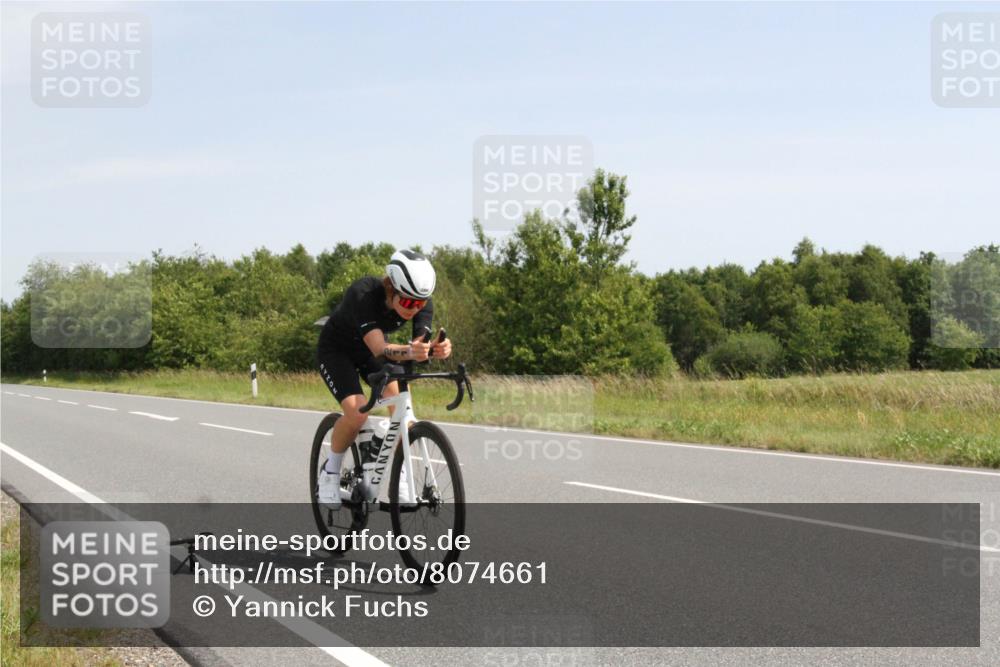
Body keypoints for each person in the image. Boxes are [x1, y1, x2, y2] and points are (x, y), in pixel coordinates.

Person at [315, 249, 452, 508]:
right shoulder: (363, 294)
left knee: (404, 414)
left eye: (421, 303)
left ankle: (399, 476)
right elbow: (380, 348)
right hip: (337, 351)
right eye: (409, 302)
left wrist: (437, 349)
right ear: (391, 288)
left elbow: (417, 346)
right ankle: (330, 472)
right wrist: (413, 350)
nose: (415, 309)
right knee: (357, 413)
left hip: (371, 353)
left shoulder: (421, 302)